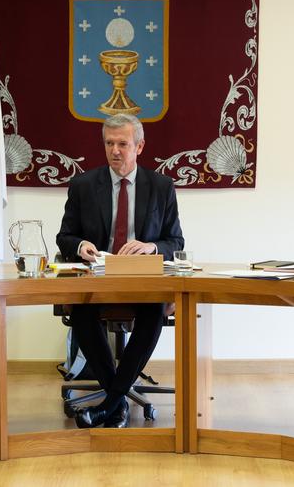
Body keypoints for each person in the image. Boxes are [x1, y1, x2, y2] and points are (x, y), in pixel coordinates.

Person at [56, 113, 184, 428]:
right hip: (98, 279)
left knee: (155, 311)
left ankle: (111, 404)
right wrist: (81, 245)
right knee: (83, 312)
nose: (115, 150)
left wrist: (151, 247)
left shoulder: (161, 186)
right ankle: (116, 402)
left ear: (139, 147)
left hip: (144, 283)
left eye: (123, 144)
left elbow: (175, 240)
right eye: (109, 143)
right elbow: (65, 237)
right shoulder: (84, 185)